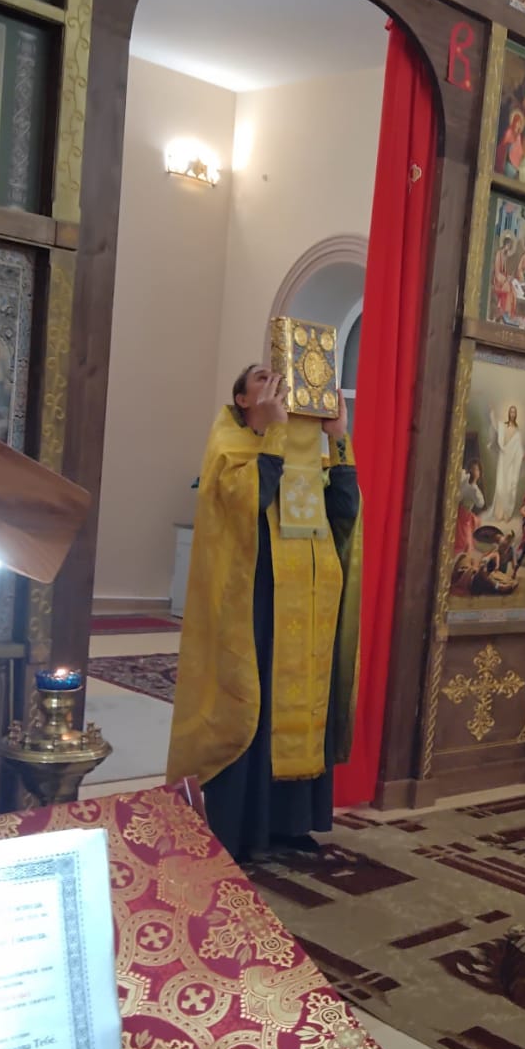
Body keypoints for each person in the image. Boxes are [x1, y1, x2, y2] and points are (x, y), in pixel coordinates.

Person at [166, 365, 361, 862]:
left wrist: (338, 438)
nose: (274, 381)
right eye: (260, 377)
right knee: (253, 704)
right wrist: (273, 432)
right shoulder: (229, 443)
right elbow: (250, 499)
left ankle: (289, 823)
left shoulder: (305, 454)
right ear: (242, 399)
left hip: (310, 598)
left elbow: (344, 510)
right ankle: (241, 827)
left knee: (300, 707)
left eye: (278, 376)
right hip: (253, 597)